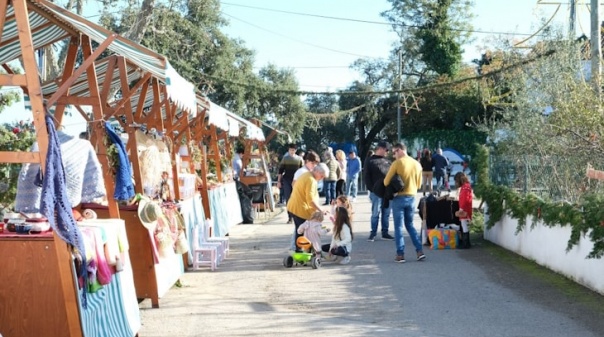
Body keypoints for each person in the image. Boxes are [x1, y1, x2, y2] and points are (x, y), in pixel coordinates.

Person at [384, 143, 426, 263]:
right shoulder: (417, 164)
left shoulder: (397, 163)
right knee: (410, 225)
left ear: (401, 150)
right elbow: (418, 185)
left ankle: (400, 254)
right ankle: (419, 251)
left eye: (395, 152)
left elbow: (386, 181)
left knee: (398, 227)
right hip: (412, 197)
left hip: (399, 198)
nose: (394, 155)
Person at [287, 163, 329, 251]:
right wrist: (321, 210)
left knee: (299, 230)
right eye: (321, 176)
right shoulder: (311, 180)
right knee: (305, 232)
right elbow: (311, 201)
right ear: (317, 171)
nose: (321, 178)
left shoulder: (306, 174)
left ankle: (298, 250)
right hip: (300, 210)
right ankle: (300, 251)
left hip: (294, 206)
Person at [364, 141, 394, 241]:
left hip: (387, 191)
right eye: (386, 150)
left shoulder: (388, 161)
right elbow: (367, 176)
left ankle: (385, 232)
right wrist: (372, 189)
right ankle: (373, 233)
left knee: (386, 213)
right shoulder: (370, 161)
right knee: (375, 213)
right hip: (376, 192)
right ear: (380, 148)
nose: (387, 152)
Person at [278, 144, 303, 224]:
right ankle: (290, 217)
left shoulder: (299, 159)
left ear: (295, 150)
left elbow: (302, 171)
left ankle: (297, 215)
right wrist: (279, 181)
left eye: (293, 150)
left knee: (296, 198)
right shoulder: (285, 159)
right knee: (288, 199)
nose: (292, 151)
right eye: (290, 150)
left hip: (296, 181)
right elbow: (280, 171)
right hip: (287, 180)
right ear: (288, 150)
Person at [454, 172, 473, 249]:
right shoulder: (467, 186)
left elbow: (464, 200)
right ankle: (467, 242)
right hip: (466, 208)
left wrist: (461, 209)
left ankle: (466, 243)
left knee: (464, 225)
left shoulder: (465, 188)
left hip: (464, 209)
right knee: (464, 225)